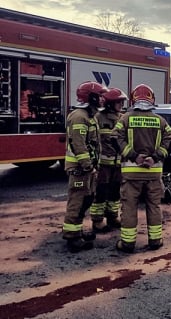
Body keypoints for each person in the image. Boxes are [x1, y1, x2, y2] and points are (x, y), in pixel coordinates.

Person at [111, 84, 171, 253]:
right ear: (151, 99)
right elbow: (170, 139)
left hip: (131, 173)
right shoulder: (160, 120)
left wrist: (133, 155)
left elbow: (114, 137)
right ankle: (155, 241)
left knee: (129, 207)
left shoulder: (125, 118)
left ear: (133, 99)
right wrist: (154, 158)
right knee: (154, 206)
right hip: (153, 173)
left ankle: (127, 243)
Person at [63, 81, 108, 252]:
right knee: (77, 201)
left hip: (87, 169)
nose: (102, 99)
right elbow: (78, 144)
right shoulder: (79, 116)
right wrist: (88, 165)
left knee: (86, 199)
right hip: (80, 169)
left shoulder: (90, 116)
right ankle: (72, 237)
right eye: (99, 96)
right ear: (91, 97)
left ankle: (78, 231)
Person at [90, 88, 127, 232]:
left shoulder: (122, 118)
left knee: (115, 192)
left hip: (118, 164)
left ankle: (113, 217)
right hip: (103, 165)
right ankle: (97, 221)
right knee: (101, 192)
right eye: (119, 102)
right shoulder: (98, 118)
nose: (121, 104)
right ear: (110, 103)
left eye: (122, 102)